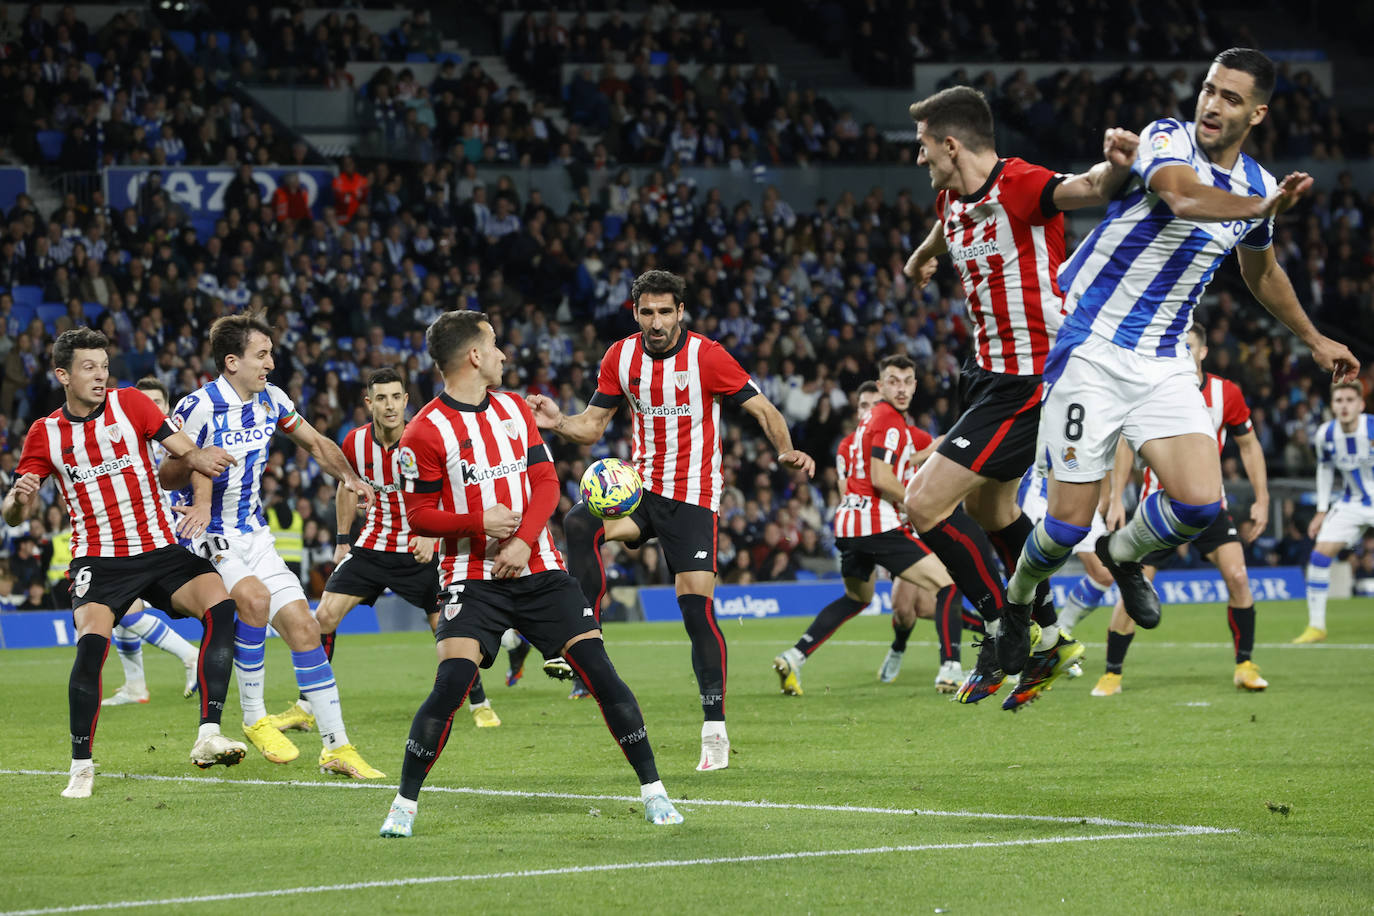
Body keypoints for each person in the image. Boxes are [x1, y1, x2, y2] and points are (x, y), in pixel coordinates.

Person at [998, 50, 1359, 695]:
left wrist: (1313, 337)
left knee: (1200, 503)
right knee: (1065, 526)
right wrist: (1261, 205)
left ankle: (1126, 553)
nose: (1212, 104)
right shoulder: (1167, 138)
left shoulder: (1256, 181)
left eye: (1229, 97)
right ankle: (1019, 599)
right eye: (1208, 90)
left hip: (1164, 359)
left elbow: (1260, 272)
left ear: (1258, 112)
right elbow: (1180, 197)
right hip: (1091, 346)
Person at [379, 310, 682, 838]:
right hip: (471, 578)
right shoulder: (423, 433)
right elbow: (420, 516)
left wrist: (521, 540)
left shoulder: (516, 409)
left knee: (602, 674)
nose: (502, 354)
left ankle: (655, 793)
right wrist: (480, 521)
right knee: (451, 684)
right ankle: (403, 805)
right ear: (473, 356)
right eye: (494, 345)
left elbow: (545, 483)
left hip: (541, 570)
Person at [899, 85, 1141, 705]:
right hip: (984, 377)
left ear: (951, 145)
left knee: (922, 505)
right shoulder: (954, 198)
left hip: (1034, 379)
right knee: (993, 514)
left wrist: (1120, 162)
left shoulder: (1022, 184)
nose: (919, 160)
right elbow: (945, 226)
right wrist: (923, 258)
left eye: (925, 148)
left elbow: (1087, 188)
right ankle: (1052, 635)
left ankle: (1003, 627)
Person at [526, 269, 815, 771]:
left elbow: (764, 409)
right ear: (634, 313)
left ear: (680, 311)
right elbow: (592, 426)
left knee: (695, 611)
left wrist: (786, 451)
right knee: (579, 522)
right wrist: (558, 423)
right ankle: (584, 637)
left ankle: (715, 729)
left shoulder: (708, 356)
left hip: (694, 498)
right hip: (640, 489)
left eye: (665, 312)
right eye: (647, 312)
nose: (656, 322)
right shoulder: (621, 357)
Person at [1, 328, 247, 799]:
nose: (100, 374)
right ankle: (81, 766)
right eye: (88, 367)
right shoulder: (45, 434)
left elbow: (182, 451)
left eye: (104, 364)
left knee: (220, 607)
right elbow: (15, 514)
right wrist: (17, 498)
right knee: (92, 647)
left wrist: (203, 457)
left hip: (157, 547)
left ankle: (208, 733)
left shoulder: (132, 403)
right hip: (99, 558)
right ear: (63, 375)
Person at [162, 314, 385, 779]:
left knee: (305, 626)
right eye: (261, 354)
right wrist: (199, 459)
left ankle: (337, 747)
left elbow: (315, 442)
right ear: (232, 361)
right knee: (254, 600)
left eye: (270, 353)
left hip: (254, 531)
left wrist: (349, 476)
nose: (271, 362)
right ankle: (253, 717)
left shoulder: (272, 399)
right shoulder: (199, 406)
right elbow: (164, 473)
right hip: (203, 530)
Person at [265, 367, 502, 731]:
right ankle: (306, 706)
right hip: (373, 546)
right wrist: (343, 540)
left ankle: (479, 702)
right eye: (381, 398)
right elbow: (348, 487)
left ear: (406, 401)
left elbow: (454, 490)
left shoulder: (426, 438)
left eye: (396, 397)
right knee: (323, 617)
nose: (389, 406)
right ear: (369, 403)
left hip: (421, 550)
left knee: (451, 631)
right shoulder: (354, 443)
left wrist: (433, 535)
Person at [1092, 323, 1272, 695]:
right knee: (1136, 587)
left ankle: (1245, 665)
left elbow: (1250, 445)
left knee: (1238, 578)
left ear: (1203, 351)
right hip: (1158, 510)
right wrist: (1114, 499)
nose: (1182, 351)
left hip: (1210, 507)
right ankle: (1112, 672)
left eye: (1188, 346)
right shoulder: (1153, 390)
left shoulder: (1226, 393)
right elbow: (1126, 445)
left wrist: (1262, 497)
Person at [774, 371, 970, 695]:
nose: (868, 410)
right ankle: (952, 666)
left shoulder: (868, 440)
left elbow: (936, 448)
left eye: (873, 404)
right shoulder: (865, 440)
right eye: (863, 405)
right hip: (885, 526)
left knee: (860, 599)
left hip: (852, 527)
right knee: (943, 589)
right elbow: (885, 471)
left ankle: (794, 656)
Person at [101, 376, 203, 707]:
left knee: (122, 608)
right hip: (133, 533)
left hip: (168, 536)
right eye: (143, 401)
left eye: (156, 402)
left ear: (167, 407)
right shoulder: (121, 440)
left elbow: (197, 468)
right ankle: (135, 686)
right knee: (121, 612)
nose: (149, 408)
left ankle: (190, 656)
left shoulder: (170, 441)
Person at [1294, 379, 1373, 644]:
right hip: (1352, 502)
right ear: (1332, 405)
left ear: (1361, 405)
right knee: (1319, 555)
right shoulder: (1325, 434)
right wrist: (1321, 510)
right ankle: (1316, 626)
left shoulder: (1371, 428)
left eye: (1350, 400)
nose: (1344, 406)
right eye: (1339, 401)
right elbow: (1325, 469)